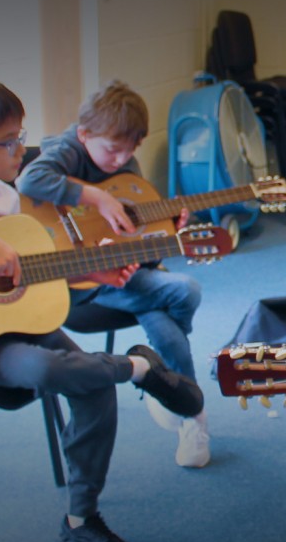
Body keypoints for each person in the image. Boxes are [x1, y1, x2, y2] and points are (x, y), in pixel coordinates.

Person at [0, 74, 207, 542]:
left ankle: (81, 523)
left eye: (20, 134)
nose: (22, 147)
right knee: (48, 371)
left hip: (11, 321)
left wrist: (95, 271)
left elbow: (25, 276)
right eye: (9, 140)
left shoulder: (6, 198)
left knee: (87, 382)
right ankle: (140, 369)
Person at [18, 80, 211, 469]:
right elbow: (29, 181)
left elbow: (137, 237)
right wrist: (96, 197)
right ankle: (188, 408)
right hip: (75, 283)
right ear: (84, 133)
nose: (121, 159)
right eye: (112, 148)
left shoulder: (125, 166)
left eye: (130, 149)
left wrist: (167, 222)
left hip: (121, 275)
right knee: (184, 292)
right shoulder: (66, 150)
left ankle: (177, 399)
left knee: (165, 311)